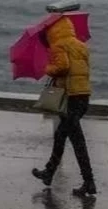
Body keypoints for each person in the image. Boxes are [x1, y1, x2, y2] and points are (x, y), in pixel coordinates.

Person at [32, 16, 96, 196]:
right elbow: (83, 69)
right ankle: (51, 173)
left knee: (71, 139)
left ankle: (86, 181)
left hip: (70, 97)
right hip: (83, 95)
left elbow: (63, 67)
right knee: (67, 137)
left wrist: (48, 68)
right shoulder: (81, 45)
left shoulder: (59, 45)